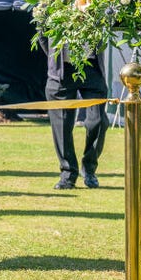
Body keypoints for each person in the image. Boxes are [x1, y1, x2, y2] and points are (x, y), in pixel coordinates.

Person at [43, 39, 109, 190]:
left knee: (98, 122)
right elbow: (42, 34)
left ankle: (89, 169)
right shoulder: (49, 13)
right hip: (61, 70)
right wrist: (54, 57)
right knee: (62, 126)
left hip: (91, 66)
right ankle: (68, 174)